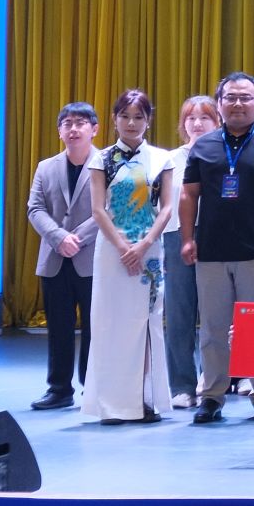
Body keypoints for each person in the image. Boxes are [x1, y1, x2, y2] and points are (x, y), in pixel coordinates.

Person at [181, 72, 254, 424]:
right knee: (213, 328)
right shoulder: (203, 146)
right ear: (220, 103)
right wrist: (187, 238)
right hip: (211, 251)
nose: (237, 103)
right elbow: (189, 195)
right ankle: (212, 396)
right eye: (230, 97)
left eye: (245, 97)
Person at [83, 90, 177, 424]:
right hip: (112, 251)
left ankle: (144, 400)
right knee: (109, 323)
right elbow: (98, 210)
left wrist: (144, 244)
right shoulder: (102, 159)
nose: (131, 123)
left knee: (146, 323)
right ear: (114, 119)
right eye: (125, 116)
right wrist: (124, 247)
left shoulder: (162, 159)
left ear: (149, 120)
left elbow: (166, 208)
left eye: (138, 117)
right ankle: (111, 404)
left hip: (149, 250)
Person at [27, 102, 102, 411]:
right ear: (59, 131)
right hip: (55, 258)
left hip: (93, 257)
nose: (73, 129)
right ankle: (59, 389)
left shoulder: (106, 164)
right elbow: (35, 208)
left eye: (80, 123)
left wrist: (77, 238)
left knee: (95, 326)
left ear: (94, 129)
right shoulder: (46, 167)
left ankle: (92, 386)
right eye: (67, 123)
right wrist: (59, 237)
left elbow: (110, 209)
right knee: (58, 327)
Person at [162, 94, 219, 409]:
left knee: (214, 315)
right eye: (191, 118)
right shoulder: (169, 160)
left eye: (205, 117)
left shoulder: (225, 155)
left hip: (216, 237)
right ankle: (182, 385)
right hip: (175, 237)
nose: (197, 124)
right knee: (179, 314)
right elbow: (160, 206)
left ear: (217, 122)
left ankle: (212, 382)